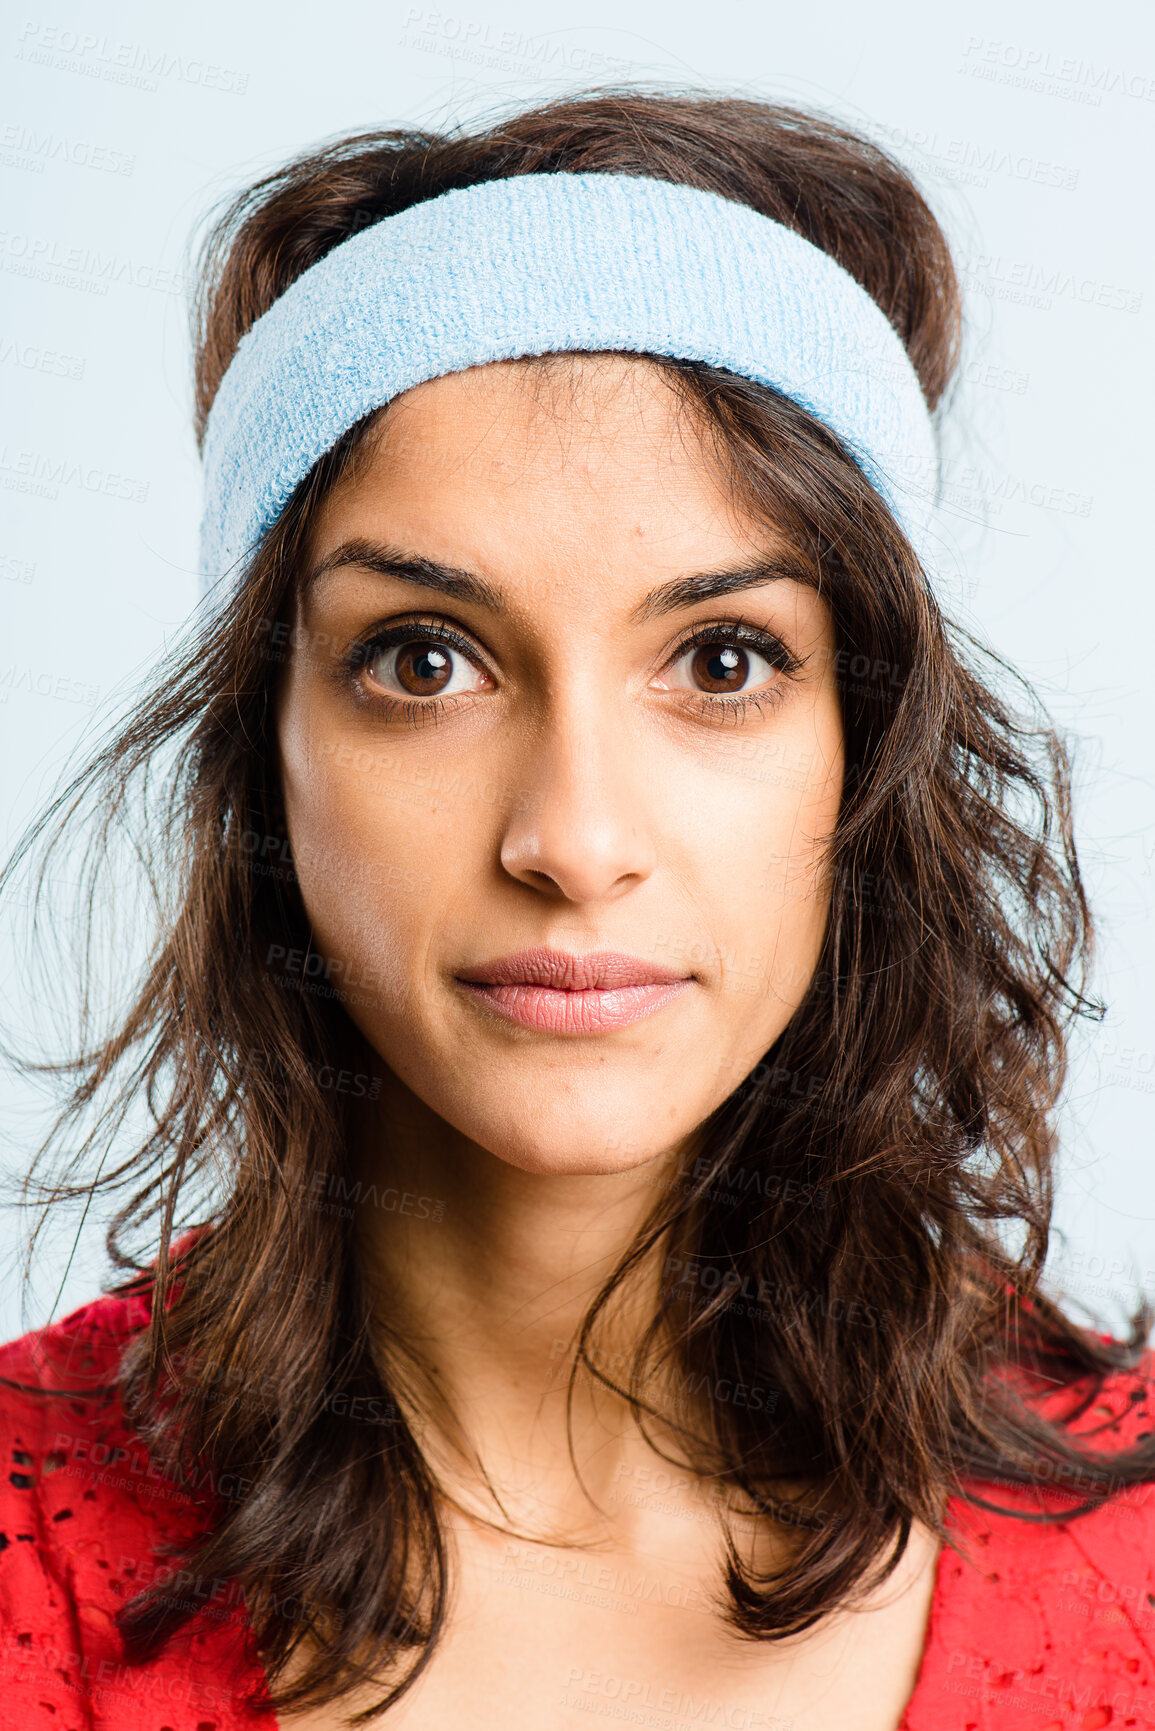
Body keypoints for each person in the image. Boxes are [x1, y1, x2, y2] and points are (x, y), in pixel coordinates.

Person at [1, 88, 1153, 1731]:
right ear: (265, 754)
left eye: (723, 661)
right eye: (423, 660)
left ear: (869, 751)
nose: (575, 838)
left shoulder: (1134, 1554)